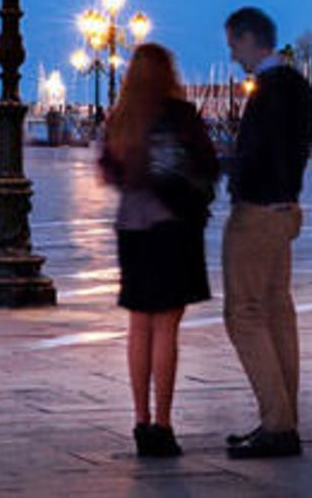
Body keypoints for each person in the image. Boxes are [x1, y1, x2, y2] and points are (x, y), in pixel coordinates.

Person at [98, 43, 218, 458]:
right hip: (174, 227)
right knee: (167, 327)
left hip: (132, 227)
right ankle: (163, 425)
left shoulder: (121, 117)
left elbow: (109, 170)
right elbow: (207, 165)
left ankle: (140, 418)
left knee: (139, 325)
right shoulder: (181, 116)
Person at [221, 6, 312, 460]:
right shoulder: (300, 87)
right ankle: (285, 418)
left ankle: (277, 424)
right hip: (286, 208)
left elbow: (256, 153)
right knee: (278, 311)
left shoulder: (268, 92)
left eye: (233, 44)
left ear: (247, 39)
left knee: (244, 312)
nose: (231, 54)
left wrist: (231, 175)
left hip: (257, 212)